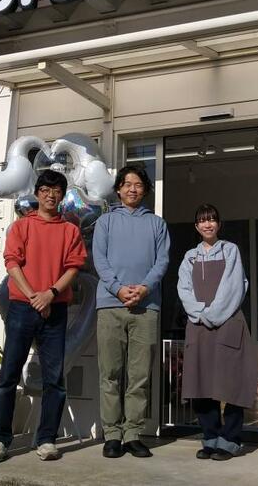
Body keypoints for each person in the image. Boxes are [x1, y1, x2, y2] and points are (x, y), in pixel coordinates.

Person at [0, 170, 87, 463]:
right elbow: (12, 263)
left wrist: (50, 294)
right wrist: (34, 295)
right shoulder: (22, 226)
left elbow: (73, 267)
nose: (50, 195)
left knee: (54, 379)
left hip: (55, 308)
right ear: (38, 192)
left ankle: (46, 439)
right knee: (8, 376)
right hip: (22, 307)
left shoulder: (70, 230)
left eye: (56, 190)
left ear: (62, 195)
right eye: (45, 189)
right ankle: (1, 439)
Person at [92, 165, 170, 458]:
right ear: (119, 189)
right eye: (127, 184)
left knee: (139, 375)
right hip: (111, 305)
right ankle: (111, 435)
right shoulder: (105, 222)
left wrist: (145, 289)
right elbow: (99, 259)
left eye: (138, 185)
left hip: (146, 307)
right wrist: (118, 288)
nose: (133, 189)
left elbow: (162, 262)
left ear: (146, 189)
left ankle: (133, 434)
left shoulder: (157, 224)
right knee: (110, 373)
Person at [177, 203, 258, 461]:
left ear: (218, 224)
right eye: (202, 220)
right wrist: (200, 313)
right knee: (201, 384)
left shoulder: (230, 250)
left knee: (232, 383)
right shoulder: (190, 256)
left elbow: (234, 286)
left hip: (227, 323)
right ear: (196, 226)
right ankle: (210, 438)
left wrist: (212, 314)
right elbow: (183, 288)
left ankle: (231, 440)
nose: (207, 224)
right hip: (199, 326)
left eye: (211, 219)